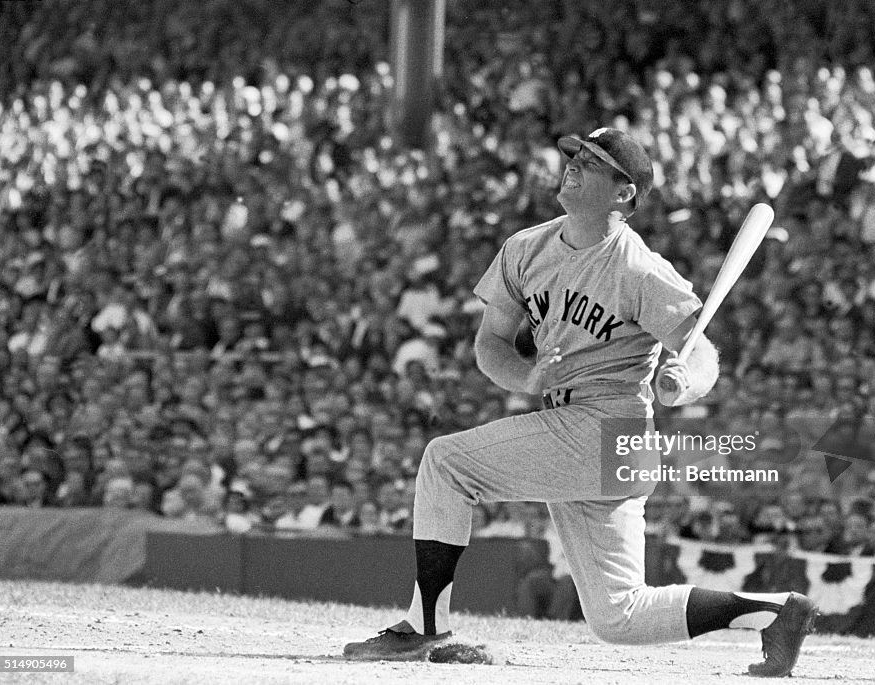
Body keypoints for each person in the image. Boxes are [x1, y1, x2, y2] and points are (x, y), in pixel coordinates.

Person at [343, 128, 818, 677]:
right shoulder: (526, 248)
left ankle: (425, 627)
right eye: (575, 155)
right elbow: (489, 345)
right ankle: (776, 613)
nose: (573, 164)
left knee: (445, 463)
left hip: (607, 426)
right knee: (619, 615)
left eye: (592, 162)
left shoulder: (637, 269)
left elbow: (702, 351)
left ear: (624, 194)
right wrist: (525, 377)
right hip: (578, 429)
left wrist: (685, 381)